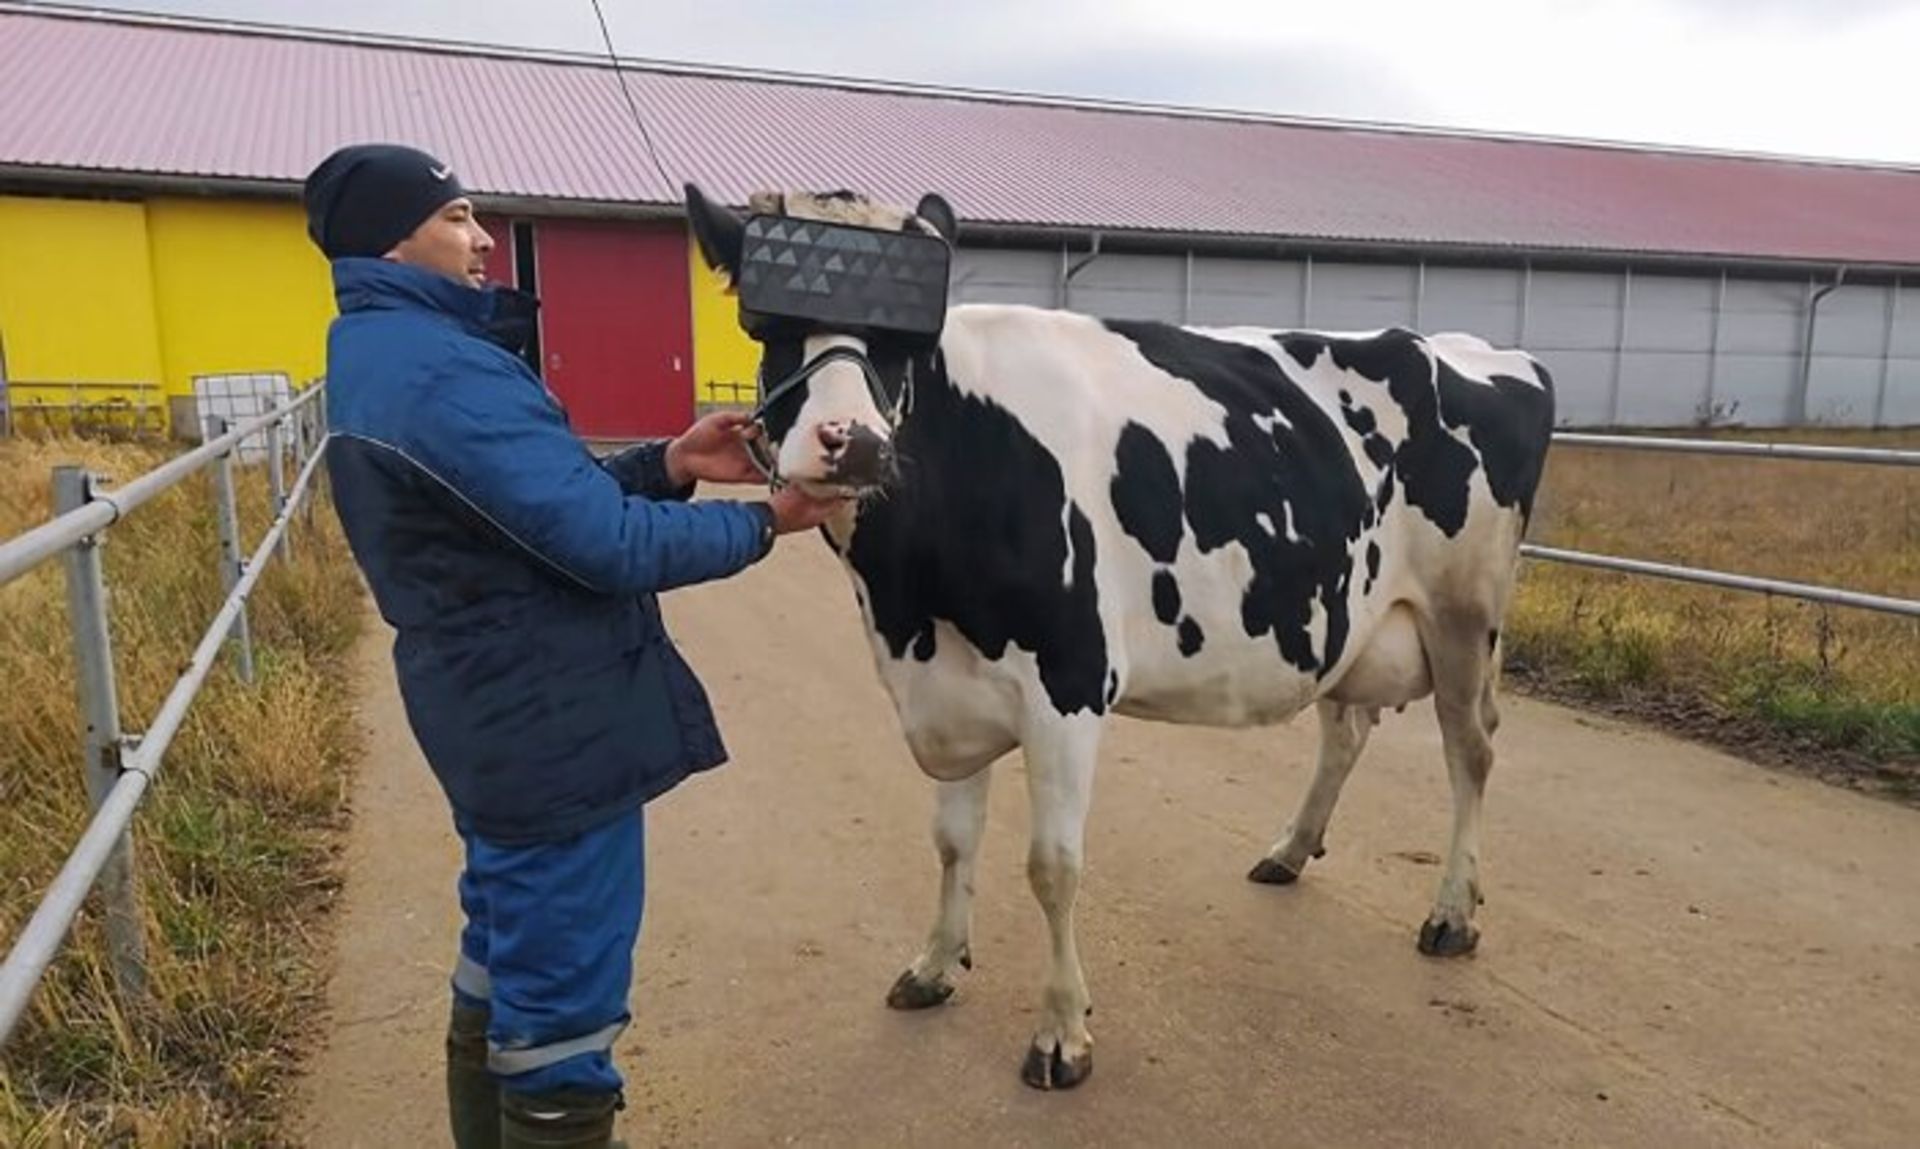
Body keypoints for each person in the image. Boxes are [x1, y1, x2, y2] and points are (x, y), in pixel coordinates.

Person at [302, 142, 844, 1149]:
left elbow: (532, 513)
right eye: (458, 215)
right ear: (393, 236)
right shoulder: (440, 372)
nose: (482, 236)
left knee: (505, 958)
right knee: (563, 1018)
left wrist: (670, 461)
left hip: (493, 704)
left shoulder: (391, 352)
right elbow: (604, 545)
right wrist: (767, 521)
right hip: (545, 718)